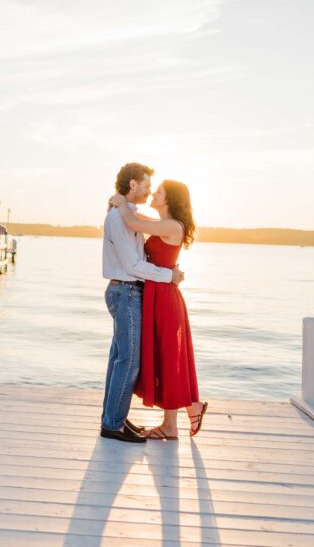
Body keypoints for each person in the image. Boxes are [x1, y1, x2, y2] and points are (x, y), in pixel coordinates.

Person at [110, 179, 207, 440]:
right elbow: (135, 217)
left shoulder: (171, 225)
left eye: (159, 191)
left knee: (168, 357)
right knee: (165, 358)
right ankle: (177, 419)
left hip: (164, 298)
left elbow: (132, 222)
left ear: (170, 199)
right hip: (157, 294)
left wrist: (120, 202)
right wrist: (122, 205)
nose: (154, 192)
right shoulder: (164, 224)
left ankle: (174, 422)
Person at [100, 163, 185, 443]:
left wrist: (120, 202)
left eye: (154, 188)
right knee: (128, 360)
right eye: (147, 185)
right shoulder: (118, 218)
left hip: (128, 291)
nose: (150, 191)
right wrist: (168, 275)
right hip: (125, 291)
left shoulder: (129, 214)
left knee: (119, 358)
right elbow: (133, 264)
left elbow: (142, 227)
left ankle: (115, 418)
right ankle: (112, 424)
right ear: (133, 184)